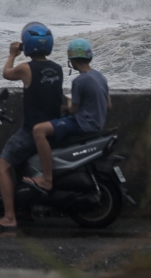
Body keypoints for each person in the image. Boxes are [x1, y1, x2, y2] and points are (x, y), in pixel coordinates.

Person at [0, 22, 63, 232]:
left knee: (1, 167)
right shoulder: (56, 68)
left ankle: (9, 217)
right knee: (22, 167)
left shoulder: (26, 68)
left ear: (27, 45)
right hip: (53, 127)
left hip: (32, 131)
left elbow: (6, 73)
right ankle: (24, 209)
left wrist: (12, 53)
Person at [23, 38, 111, 192]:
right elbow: (108, 105)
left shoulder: (79, 81)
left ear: (72, 61)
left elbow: (74, 111)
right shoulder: (100, 76)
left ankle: (46, 179)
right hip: (97, 124)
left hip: (83, 124)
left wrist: (69, 104)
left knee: (39, 130)